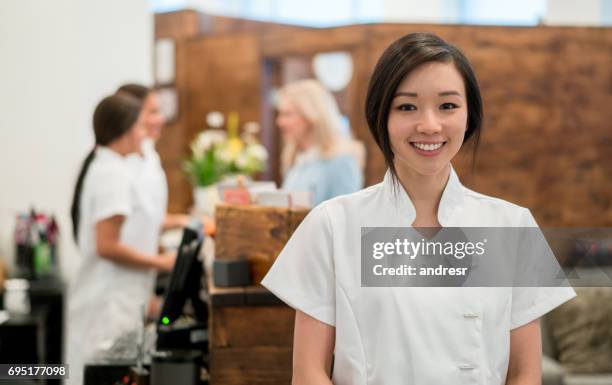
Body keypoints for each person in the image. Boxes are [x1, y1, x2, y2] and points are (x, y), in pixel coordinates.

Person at [262, 33, 576, 384]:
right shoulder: (333, 225)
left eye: (448, 106)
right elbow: (308, 374)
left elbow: (525, 375)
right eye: (407, 106)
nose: (429, 125)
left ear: (469, 115)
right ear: (380, 115)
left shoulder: (512, 225)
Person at [67, 94, 176, 385]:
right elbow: (107, 246)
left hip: (116, 296)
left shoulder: (108, 166)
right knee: (106, 374)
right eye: (141, 126)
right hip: (109, 301)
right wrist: (162, 262)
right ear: (126, 129)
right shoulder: (112, 174)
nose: (145, 134)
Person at [276, 79, 364, 206]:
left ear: (311, 115)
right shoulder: (296, 159)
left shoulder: (341, 162)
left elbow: (345, 217)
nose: (280, 122)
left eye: (287, 114)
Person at [116, 84, 191, 230]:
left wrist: (186, 221)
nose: (161, 119)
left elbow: (150, 216)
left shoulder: (149, 153)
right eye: (153, 112)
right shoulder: (117, 164)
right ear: (131, 114)